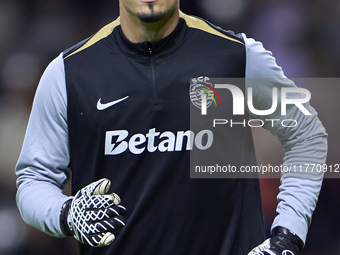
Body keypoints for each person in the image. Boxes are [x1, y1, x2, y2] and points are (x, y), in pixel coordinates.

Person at [16, 0, 327, 254]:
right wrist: (67, 213)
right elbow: (33, 180)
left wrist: (286, 236)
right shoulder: (70, 72)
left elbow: (307, 134)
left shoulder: (233, 56)